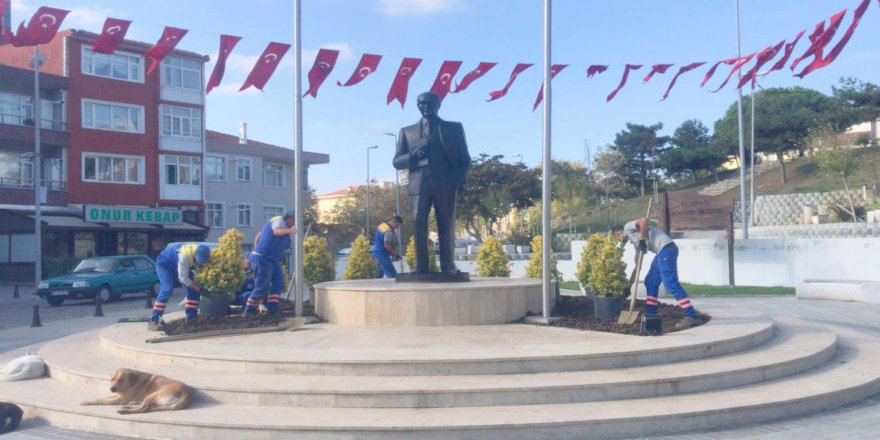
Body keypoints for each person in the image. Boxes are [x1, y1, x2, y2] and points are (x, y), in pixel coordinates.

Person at [393, 91, 471, 275]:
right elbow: (397, 162)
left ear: (438, 105)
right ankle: (421, 267)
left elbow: (465, 159)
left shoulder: (453, 128)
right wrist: (413, 156)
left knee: (446, 223)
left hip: (446, 183)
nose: (426, 106)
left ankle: (448, 265)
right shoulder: (407, 131)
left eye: (430, 103)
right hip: (418, 184)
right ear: (417, 106)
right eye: (422, 103)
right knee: (418, 222)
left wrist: (456, 181)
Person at [612, 219, 705, 330]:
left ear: (618, 232)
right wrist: (629, 286)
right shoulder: (635, 243)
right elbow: (638, 266)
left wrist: (643, 239)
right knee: (651, 281)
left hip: (666, 248)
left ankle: (691, 315)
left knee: (670, 282)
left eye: (616, 237)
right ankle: (650, 314)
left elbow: (643, 221)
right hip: (661, 252)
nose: (619, 240)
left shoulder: (627, 227)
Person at [150, 243, 212, 330]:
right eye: (199, 261)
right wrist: (198, 288)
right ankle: (154, 320)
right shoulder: (184, 256)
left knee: (193, 292)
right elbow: (183, 277)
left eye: (202, 262)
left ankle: (192, 319)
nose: (200, 263)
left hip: (181, 266)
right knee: (167, 289)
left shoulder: (204, 254)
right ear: (195, 255)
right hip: (165, 265)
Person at [244, 211, 295, 315]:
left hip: (273, 260)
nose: (295, 223)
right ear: (291, 218)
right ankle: (249, 311)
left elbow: (259, 235)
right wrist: (255, 252)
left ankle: (272, 309)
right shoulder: (279, 220)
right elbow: (276, 231)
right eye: (295, 220)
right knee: (262, 287)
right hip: (263, 259)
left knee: (278, 284)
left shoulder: (286, 232)